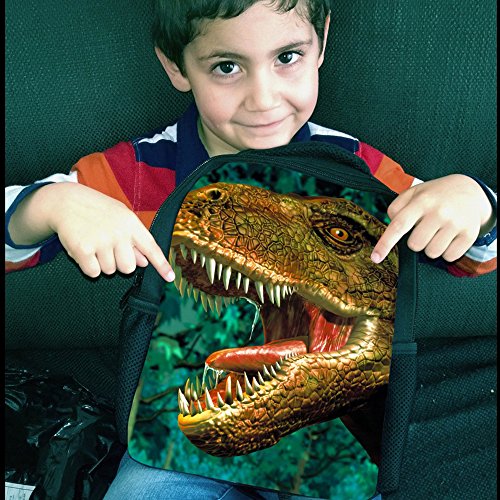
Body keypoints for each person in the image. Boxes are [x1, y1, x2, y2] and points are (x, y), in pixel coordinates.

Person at [5, 1, 497, 498]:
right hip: (176, 444)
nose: (264, 99)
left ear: (321, 44)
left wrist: (477, 204)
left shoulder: (363, 174)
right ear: (176, 66)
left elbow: (469, 254)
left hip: (329, 450)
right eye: (227, 67)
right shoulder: (132, 174)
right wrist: (50, 204)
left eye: (287, 57)